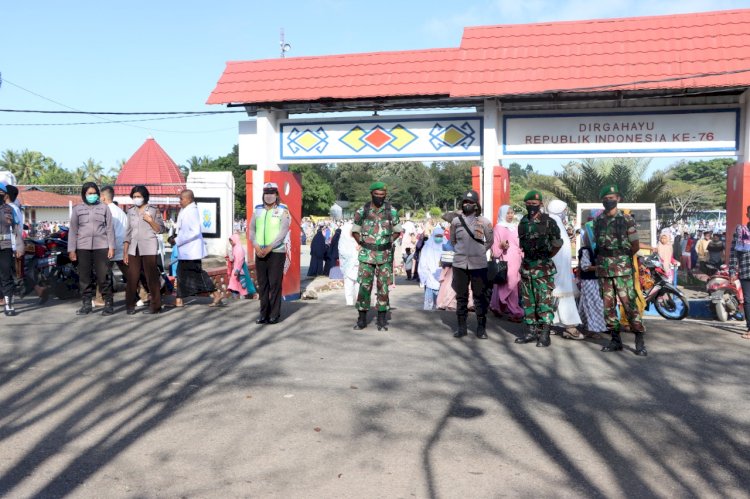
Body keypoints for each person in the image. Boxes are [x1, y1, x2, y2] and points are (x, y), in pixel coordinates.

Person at [595, 184, 647, 356]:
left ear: (618, 199)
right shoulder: (598, 221)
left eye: (612, 198)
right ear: (602, 201)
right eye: (606, 199)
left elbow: (635, 245)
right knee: (607, 306)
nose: (609, 201)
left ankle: (639, 338)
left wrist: (622, 258)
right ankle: (615, 340)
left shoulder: (627, 220)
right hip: (604, 268)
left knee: (629, 304)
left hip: (622, 269)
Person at [351, 181, 402, 331]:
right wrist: (362, 241)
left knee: (383, 287)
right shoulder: (363, 210)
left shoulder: (391, 211)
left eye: (382, 195)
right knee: (364, 286)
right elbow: (355, 230)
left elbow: (398, 230)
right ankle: (361, 319)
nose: (380, 197)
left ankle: (381, 320)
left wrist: (389, 241)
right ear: (371, 194)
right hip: (367, 255)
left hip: (385, 256)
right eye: (377, 195)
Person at [514, 190, 563, 347]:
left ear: (541, 204)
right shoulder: (522, 222)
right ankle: (530, 331)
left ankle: (545, 334)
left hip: (543, 268)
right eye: (528, 204)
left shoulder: (549, 222)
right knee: (528, 302)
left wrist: (547, 256)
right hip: (527, 267)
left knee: (544, 301)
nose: (531, 206)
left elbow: (557, 243)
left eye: (534, 204)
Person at [168, 189, 224, 308]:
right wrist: (175, 237)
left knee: (197, 274)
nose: (180, 201)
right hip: (187, 251)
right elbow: (183, 229)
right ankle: (179, 300)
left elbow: (194, 231)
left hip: (191, 251)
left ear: (188, 199)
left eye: (181, 199)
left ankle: (216, 294)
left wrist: (177, 240)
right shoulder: (185, 210)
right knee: (181, 273)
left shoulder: (191, 211)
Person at [450, 190, 493, 339]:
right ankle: (461, 327)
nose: (467, 205)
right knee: (461, 296)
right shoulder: (455, 222)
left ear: (476, 205)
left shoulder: (485, 222)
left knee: (480, 296)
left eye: (470, 202)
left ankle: (481, 328)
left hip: (478, 264)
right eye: (465, 202)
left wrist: (480, 251)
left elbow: (490, 241)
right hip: (460, 264)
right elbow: (453, 240)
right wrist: (461, 251)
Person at [68, 182, 116, 316]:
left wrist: (111, 246)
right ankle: (86, 304)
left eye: (94, 193)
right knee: (84, 277)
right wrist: (71, 249)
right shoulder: (77, 209)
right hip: (83, 247)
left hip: (102, 247)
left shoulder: (104, 208)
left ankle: (108, 304)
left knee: (103, 276)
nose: (92, 195)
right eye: (90, 193)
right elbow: (72, 230)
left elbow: (110, 229)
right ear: (84, 194)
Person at [248, 182, 291, 324]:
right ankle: (263, 314)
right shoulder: (257, 210)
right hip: (260, 251)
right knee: (262, 284)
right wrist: (255, 245)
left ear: (277, 195)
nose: (269, 196)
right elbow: (252, 230)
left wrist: (270, 247)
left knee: (275, 284)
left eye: (272, 193)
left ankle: (274, 314)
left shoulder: (283, 210)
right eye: (266, 193)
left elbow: (283, 231)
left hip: (276, 252)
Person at [123, 185, 166, 315]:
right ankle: (130, 305)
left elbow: (161, 229)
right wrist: (125, 252)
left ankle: (155, 306)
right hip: (133, 248)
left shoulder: (153, 210)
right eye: (134, 196)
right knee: (132, 277)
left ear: (145, 197)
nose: (136, 199)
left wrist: (151, 221)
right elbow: (128, 232)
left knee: (151, 278)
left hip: (149, 246)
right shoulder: (130, 211)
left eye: (139, 196)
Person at [547, 199, 583, 339]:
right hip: (558, 270)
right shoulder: (553, 223)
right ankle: (570, 326)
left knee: (555, 296)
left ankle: (551, 323)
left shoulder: (555, 223)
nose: (565, 213)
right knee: (562, 296)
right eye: (564, 210)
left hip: (560, 269)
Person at [490, 205, 523, 322]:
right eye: (507, 213)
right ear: (502, 214)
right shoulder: (498, 228)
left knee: (509, 285)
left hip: (517, 260)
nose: (510, 215)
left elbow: (520, 245)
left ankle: (496, 306)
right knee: (510, 285)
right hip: (505, 260)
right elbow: (495, 249)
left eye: (511, 213)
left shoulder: (515, 227)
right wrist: (501, 246)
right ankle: (516, 312)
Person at [100, 185, 129, 303]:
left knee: (102, 275)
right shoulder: (120, 211)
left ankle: (102, 299)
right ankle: (142, 295)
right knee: (130, 274)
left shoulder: (106, 211)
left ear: (103, 197)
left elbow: (107, 230)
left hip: (111, 247)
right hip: (123, 246)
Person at [578, 218, 606, 338]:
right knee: (592, 304)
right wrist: (601, 267)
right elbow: (585, 267)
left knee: (590, 304)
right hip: (589, 281)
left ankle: (590, 327)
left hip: (595, 281)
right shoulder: (586, 250)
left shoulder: (598, 250)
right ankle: (593, 329)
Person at [0, 183, 24, 316]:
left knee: (6, 276)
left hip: (5, 246)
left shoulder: (10, 210)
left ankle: (9, 305)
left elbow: (16, 230)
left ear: (4, 195)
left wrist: (19, 246)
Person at [729, 204, 750, 339]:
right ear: (748, 215)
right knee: (748, 300)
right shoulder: (741, 230)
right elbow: (733, 252)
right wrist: (731, 271)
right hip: (746, 270)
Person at [419, 227, 445, 310]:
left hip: (443, 276)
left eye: (440, 236)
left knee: (442, 303)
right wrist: (423, 277)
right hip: (430, 276)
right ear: (433, 235)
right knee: (429, 303)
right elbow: (422, 263)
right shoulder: (427, 246)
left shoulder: (446, 245)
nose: (439, 238)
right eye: (437, 236)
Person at [338, 221, 360, 306]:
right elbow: (343, 253)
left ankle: (359, 304)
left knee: (358, 287)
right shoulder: (343, 240)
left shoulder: (357, 239)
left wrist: (360, 248)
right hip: (348, 267)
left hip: (358, 267)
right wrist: (356, 250)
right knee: (348, 287)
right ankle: (349, 303)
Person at [227, 233, 254, 298]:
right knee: (235, 285)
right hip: (236, 270)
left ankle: (235, 298)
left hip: (238, 270)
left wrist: (237, 270)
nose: (230, 242)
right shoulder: (235, 248)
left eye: (231, 240)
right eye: (230, 241)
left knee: (236, 285)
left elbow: (240, 260)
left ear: (235, 240)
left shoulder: (239, 249)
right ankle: (235, 298)